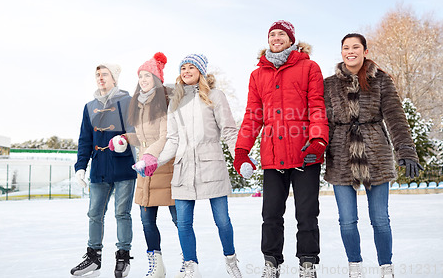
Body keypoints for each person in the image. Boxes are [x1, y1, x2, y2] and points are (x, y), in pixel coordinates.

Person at [233, 20, 329, 278]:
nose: (276, 38)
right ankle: (271, 264)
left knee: (307, 213)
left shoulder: (309, 67)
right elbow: (253, 115)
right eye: (272, 34)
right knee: (271, 214)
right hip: (273, 155)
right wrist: (242, 150)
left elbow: (317, 106)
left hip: (304, 153)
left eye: (281, 34)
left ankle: (307, 264)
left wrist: (318, 140)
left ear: (291, 39)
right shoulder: (257, 74)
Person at [323, 33, 422, 278]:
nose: (350, 51)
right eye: (346, 47)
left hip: (375, 151)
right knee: (347, 220)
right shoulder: (329, 84)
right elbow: (323, 122)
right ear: (342, 52)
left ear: (365, 51)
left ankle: (385, 268)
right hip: (341, 155)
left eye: (356, 47)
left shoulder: (381, 81)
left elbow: (395, 117)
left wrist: (406, 150)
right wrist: (315, 151)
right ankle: (354, 267)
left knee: (380, 219)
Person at [155, 54, 243, 278]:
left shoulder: (215, 96)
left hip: (211, 165)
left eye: (191, 67)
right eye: (183, 68)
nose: (186, 71)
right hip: (184, 168)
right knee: (184, 222)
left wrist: (240, 156)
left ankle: (231, 259)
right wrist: (156, 161)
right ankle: (190, 264)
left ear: (200, 71)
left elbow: (229, 130)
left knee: (222, 220)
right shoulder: (175, 101)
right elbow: (172, 140)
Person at [112, 52, 178, 278]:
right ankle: (156, 265)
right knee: (147, 221)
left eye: (147, 75)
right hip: (144, 170)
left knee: (180, 220)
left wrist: (149, 155)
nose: (143, 80)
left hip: (164, 167)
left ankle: (187, 260)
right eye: (140, 76)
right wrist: (123, 139)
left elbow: (165, 136)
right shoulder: (137, 105)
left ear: (156, 79)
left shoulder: (166, 103)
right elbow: (141, 138)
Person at [71, 63, 137, 278]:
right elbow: (85, 139)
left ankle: (123, 256)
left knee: (122, 213)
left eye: (105, 74)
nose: (100, 78)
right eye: (98, 74)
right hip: (99, 168)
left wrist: (125, 139)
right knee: (94, 213)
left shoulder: (127, 102)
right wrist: (81, 167)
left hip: (123, 166)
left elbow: (136, 131)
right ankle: (93, 258)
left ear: (114, 78)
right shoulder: (89, 106)